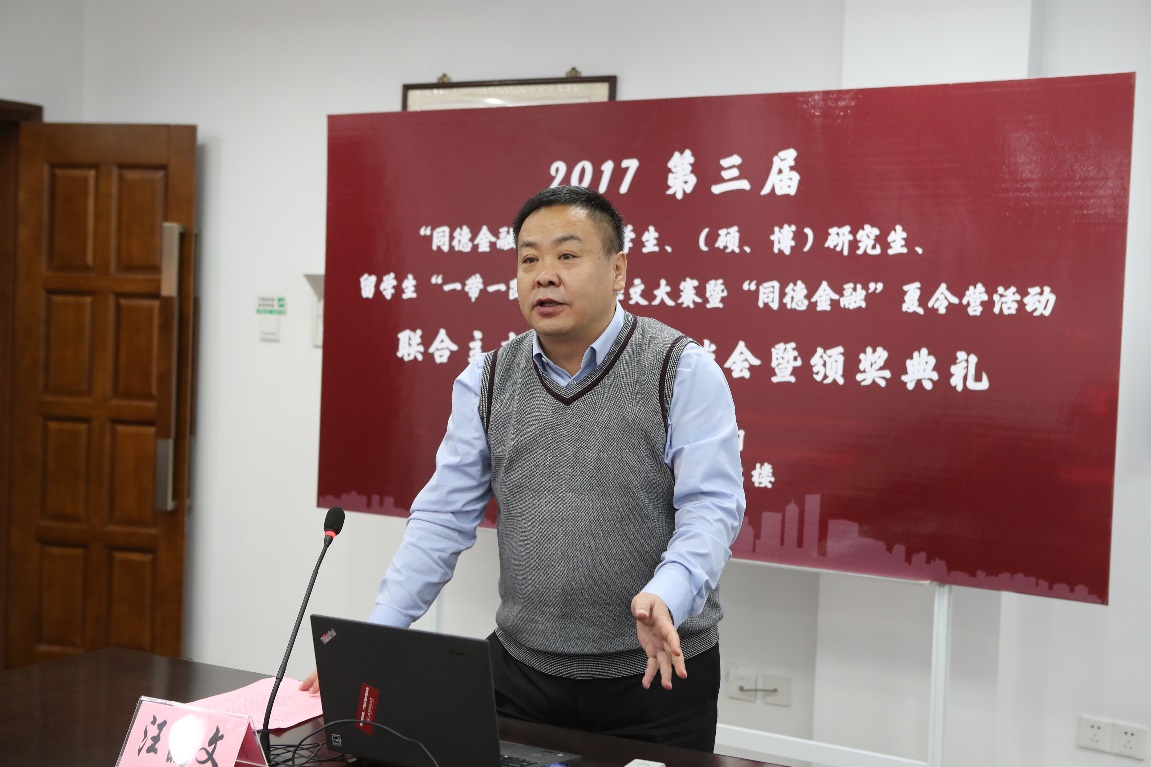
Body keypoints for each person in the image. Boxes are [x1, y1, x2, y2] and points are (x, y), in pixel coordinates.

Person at [303, 185, 745, 752]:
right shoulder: (486, 380)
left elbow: (712, 505)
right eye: (529, 260)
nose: (544, 276)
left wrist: (670, 592)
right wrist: (379, 638)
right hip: (521, 674)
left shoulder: (681, 369)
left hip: (657, 675)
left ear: (618, 270)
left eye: (567, 255)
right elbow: (442, 518)